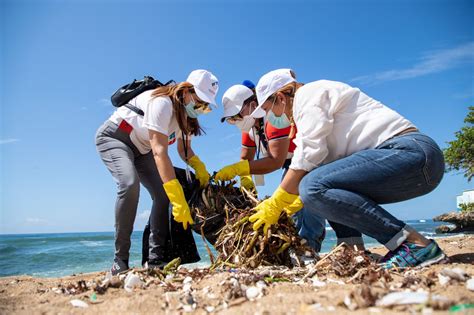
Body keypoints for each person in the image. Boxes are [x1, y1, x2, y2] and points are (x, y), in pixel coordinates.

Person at [249, 69, 447, 269]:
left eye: (268, 109)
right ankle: (352, 247)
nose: (270, 116)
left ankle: (412, 244)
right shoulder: (307, 106)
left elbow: (308, 154)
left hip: (410, 152)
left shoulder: (309, 95)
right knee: (321, 186)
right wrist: (297, 199)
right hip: (416, 165)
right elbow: (320, 165)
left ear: (281, 98)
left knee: (312, 187)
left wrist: (277, 201)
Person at [96, 69, 218, 275]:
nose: (200, 108)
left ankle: (155, 260)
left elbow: (183, 151)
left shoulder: (185, 116)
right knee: (129, 184)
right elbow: (160, 152)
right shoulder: (163, 103)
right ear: (186, 91)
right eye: (199, 102)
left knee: (162, 196)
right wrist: (178, 196)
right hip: (116, 138)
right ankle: (120, 261)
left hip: (143, 150)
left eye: (205, 106)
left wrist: (200, 167)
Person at [216, 79, 327, 252]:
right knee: (296, 208)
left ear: (253, 105)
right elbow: (246, 157)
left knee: (307, 200)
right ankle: (304, 247)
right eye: (231, 120)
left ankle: (311, 247)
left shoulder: (272, 119)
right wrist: (246, 181)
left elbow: (276, 160)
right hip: (293, 162)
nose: (236, 121)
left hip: (312, 158)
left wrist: (238, 169)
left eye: (237, 116)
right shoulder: (251, 128)